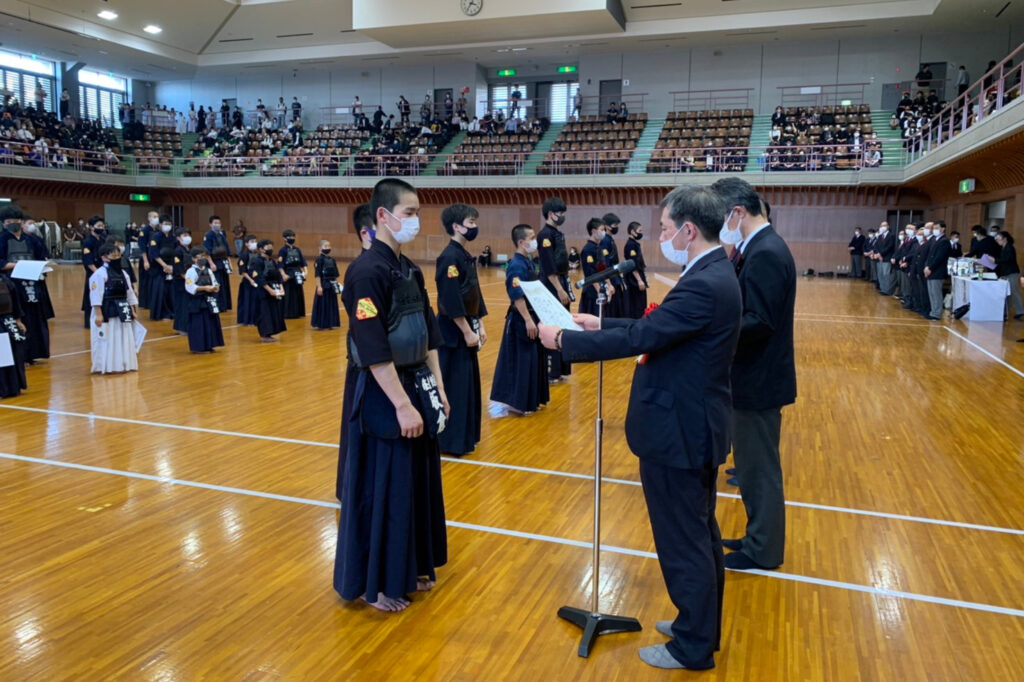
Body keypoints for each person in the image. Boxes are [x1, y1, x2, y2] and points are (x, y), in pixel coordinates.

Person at [537, 185, 741, 671]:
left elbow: (646, 337)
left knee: (683, 540)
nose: (661, 236)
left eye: (666, 228)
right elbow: (661, 327)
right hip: (694, 423)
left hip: (679, 430)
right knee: (699, 531)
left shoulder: (703, 282)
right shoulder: (713, 273)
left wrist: (564, 338)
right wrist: (596, 325)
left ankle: (693, 644)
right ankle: (699, 622)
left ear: (689, 230)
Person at [334, 178, 449, 613]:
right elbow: (371, 346)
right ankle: (377, 583)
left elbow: (429, 330)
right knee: (385, 486)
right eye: (409, 212)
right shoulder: (366, 272)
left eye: (418, 212)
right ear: (382, 216)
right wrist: (401, 405)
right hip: (384, 393)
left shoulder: (411, 269)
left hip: (417, 381)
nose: (416, 221)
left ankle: (411, 564)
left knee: (415, 483)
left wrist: (437, 387)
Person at [711, 177, 796, 572]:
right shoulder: (757, 248)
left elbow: (759, 320)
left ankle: (763, 549)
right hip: (750, 376)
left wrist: (715, 329)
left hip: (758, 379)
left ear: (738, 213)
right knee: (748, 466)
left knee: (759, 470)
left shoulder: (765, 252)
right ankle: (755, 534)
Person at [434, 203, 488, 457]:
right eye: (470, 222)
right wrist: (466, 330)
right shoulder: (449, 257)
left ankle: (466, 436)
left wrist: (481, 323)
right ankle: (450, 441)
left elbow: (474, 292)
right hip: (452, 334)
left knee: (467, 386)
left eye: (476, 222)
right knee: (454, 385)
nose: (474, 227)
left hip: (467, 328)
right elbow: (450, 299)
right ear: (456, 227)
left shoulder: (464, 255)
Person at [336, 203, 376, 501]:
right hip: (368, 367)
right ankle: (356, 490)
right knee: (360, 433)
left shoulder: (398, 267)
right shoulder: (362, 273)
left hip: (394, 367)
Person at [489, 224, 549, 418]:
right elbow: (517, 295)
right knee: (521, 361)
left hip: (534, 316)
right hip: (521, 319)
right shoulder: (516, 265)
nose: (535, 240)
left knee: (533, 359)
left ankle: (531, 399)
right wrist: (528, 320)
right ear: (522, 242)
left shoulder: (528, 262)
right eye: (532, 237)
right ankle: (517, 402)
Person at [0, 206, 50, 362]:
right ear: (3, 224)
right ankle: (18, 355)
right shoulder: (1, 239)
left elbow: (42, 259)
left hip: (33, 283)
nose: (12, 224)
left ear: (21, 222)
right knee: (16, 317)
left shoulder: (33, 240)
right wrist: (19, 266)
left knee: (34, 318)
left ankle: (33, 353)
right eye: (8, 222)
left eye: (15, 221)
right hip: (12, 286)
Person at [89, 242, 139, 375]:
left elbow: (129, 293)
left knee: (123, 336)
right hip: (107, 309)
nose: (117, 258)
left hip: (122, 309)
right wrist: (98, 314)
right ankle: (106, 365)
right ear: (104, 257)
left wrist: (133, 310)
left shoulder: (123, 273)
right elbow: (95, 296)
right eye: (113, 256)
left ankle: (123, 363)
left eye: (119, 255)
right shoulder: (99, 274)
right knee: (108, 338)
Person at [536, 196, 572, 381]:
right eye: (560, 213)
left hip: (562, 281)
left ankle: (562, 367)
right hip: (551, 285)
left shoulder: (557, 233)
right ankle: (552, 369)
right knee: (553, 323)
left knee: (563, 321)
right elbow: (549, 265)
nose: (562, 216)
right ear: (551, 214)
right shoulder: (545, 235)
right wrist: (559, 289)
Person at [183, 248, 225, 353]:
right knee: (199, 324)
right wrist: (204, 288)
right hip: (197, 302)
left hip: (209, 300)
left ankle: (210, 344)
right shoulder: (190, 271)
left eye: (204, 256)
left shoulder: (208, 270)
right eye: (199, 257)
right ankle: (199, 347)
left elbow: (215, 282)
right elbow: (189, 286)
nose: (202, 259)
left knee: (210, 323)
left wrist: (216, 287)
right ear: (194, 259)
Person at [252, 238, 286, 342]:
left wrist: (281, 287)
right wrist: (269, 290)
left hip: (274, 289)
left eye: (272, 247)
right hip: (263, 292)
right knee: (264, 313)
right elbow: (259, 278)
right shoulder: (257, 262)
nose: (271, 249)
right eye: (268, 247)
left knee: (272, 312)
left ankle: (270, 333)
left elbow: (278, 276)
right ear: (261, 249)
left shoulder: (272, 261)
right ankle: (264, 335)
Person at [0, 270, 28, 398]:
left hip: (7, 319)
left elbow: (15, 301)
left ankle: (12, 387)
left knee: (13, 352)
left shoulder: (6, 281)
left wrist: (18, 320)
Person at [578, 218, 610, 317]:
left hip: (601, 287)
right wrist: (599, 290)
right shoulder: (588, 249)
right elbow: (590, 273)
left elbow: (603, 269)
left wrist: (608, 285)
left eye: (605, 230)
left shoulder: (598, 247)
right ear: (593, 231)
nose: (604, 232)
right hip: (592, 292)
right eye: (602, 229)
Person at [146, 216, 176, 321]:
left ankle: (172, 312)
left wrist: (172, 266)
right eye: (165, 224)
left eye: (169, 224)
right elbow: (153, 253)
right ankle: (161, 313)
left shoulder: (173, 238)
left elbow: (176, 253)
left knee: (171, 291)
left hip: (171, 268)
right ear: (160, 225)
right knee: (161, 291)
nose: (167, 226)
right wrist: (164, 265)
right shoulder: (155, 237)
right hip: (159, 268)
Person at [203, 215, 233, 313]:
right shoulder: (208, 236)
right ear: (210, 224)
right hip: (214, 262)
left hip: (223, 262)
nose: (217, 225)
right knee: (216, 283)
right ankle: (217, 305)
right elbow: (207, 252)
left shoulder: (221, 235)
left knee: (224, 284)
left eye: (218, 223)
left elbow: (227, 251)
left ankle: (224, 305)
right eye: (215, 223)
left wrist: (230, 263)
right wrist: (211, 263)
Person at [80, 216, 106, 328]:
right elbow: (88, 261)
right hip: (93, 273)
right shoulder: (87, 242)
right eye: (98, 226)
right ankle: (89, 322)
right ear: (91, 227)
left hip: (103, 271)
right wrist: (97, 273)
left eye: (102, 226)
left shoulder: (103, 240)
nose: (101, 228)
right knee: (92, 296)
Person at [924, 221, 952, 320]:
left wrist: (930, 267)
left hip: (937, 271)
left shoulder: (944, 241)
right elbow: (929, 255)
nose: (934, 230)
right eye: (934, 228)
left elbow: (939, 257)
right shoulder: (934, 240)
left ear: (943, 229)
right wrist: (926, 266)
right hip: (930, 270)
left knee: (936, 293)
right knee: (931, 292)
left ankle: (936, 313)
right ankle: (933, 311)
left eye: (936, 228)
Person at [311, 239, 341, 330]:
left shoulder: (332, 260)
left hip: (332, 284)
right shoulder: (319, 260)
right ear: (320, 248)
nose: (328, 248)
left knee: (331, 303)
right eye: (325, 246)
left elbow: (335, 274)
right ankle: (322, 324)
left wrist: (336, 284)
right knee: (323, 304)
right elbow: (317, 275)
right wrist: (319, 286)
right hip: (323, 284)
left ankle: (331, 323)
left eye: (329, 246)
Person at [278, 229, 307, 319]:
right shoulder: (282, 250)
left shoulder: (297, 249)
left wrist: (305, 272)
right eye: (289, 237)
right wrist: (283, 274)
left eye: (293, 237)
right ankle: (288, 313)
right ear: (284, 238)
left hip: (297, 273)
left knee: (298, 292)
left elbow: (303, 262)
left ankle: (298, 312)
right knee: (289, 293)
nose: (292, 238)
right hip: (288, 273)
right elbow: (280, 264)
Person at [994, 231, 1024, 319]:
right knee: (1006, 293)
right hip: (1005, 273)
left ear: (1005, 239)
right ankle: (1005, 310)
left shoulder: (1009, 247)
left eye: (999, 239)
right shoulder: (1003, 248)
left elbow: (1006, 260)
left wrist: (995, 260)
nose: (997, 241)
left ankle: (1020, 311)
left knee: (1014, 291)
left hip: (1011, 273)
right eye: (997, 239)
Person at [600, 212, 624, 317]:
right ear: (606, 226)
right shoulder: (605, 240)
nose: (616, 227)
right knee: (611, 310)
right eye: (614, 225)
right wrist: (609, 284)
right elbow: (605, 263)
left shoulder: (610, 240)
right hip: (610, 279)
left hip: (615, 276)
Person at [623, 221, 648, 318]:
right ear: (633, 232)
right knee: (636, 303)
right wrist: (639, 280)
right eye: (640, 231)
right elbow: (632, 265)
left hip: (638, 276)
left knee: (641, 303)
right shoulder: (630, 245)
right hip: (633, 280)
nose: (641, 233)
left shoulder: (635, 244)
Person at [171, 228, 193, 335]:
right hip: (181, 282)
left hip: (190, 280)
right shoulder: (177, 251)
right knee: (182, 304)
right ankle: (181, 328)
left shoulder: (190, 250)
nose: (187, 237)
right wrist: (189, 280)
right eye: (184, 235)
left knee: (189, 304)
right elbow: (179, 269)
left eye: (188, 235)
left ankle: (189, 326)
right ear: (178, 238)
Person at [236, 235, 260, 326]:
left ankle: (255, 319)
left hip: (257, 280)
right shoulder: (244, 255)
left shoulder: (258, 254)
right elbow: (243, 271)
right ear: (246, 244)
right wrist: (250, 280)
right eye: (252, 241)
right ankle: (247, 319)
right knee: (248, 301)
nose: (254, 243)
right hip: (248, 282)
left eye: (255, 241)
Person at [872, 221, 896, 295]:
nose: (882, 227)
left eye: (884, 226)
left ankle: (887, 290)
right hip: (879, 258)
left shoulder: (891, 235)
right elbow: (876, 246)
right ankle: (882, 289)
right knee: (880, 274)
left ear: (888, 227)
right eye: (881, 226)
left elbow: (890, 247)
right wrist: (877, 254)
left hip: (886, 258)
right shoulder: (879, 236)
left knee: (886, 275)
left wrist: (880, 254)